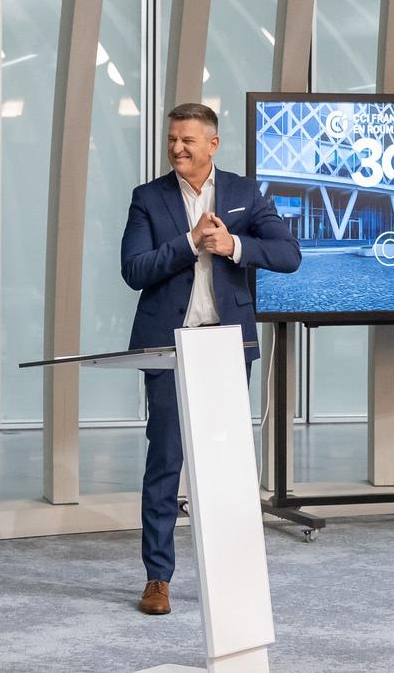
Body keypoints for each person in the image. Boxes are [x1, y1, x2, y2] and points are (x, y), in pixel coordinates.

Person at [120, 102, 301, 615]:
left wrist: (233, 244)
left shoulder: (245, 193)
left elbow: (288, 255)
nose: (177, 148)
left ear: (213, 144)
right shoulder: (148, 198)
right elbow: (134, 269)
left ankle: (229, 574)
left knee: (227, 466)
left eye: (187, 140)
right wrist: (189, 241)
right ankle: (158, 578)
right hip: (170, 345)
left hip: (227, 347)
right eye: (172, 139)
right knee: (165, 461)